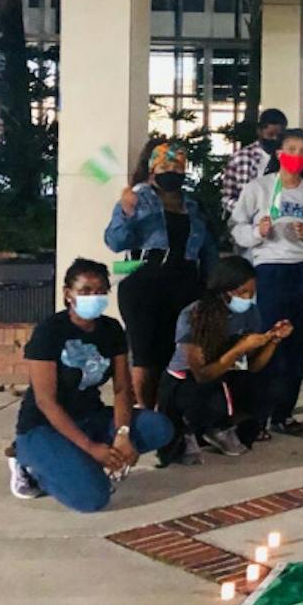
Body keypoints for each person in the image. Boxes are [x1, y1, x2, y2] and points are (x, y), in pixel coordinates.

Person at [6, 258, 174, 512]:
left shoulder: (111, 329)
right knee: (92, 499)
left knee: (158, 427)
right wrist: (91, 448)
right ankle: (27, 464)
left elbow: (121, 389)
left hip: (90, 416)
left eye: (100, 291)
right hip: (43, 427)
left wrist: (123, 434)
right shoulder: (50, 331)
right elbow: (45, 401)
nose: (93, 297)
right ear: (68, 294)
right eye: (85, 291)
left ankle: (76, 461)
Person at [105, 139, 219, 410]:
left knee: (178, 351)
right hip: (144, 283)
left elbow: (208, 251)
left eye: (179, 166)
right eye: (166, 166)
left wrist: (213, 288)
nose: (173, 172)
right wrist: (127, 212)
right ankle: (146, 412)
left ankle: (170, 410)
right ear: (152, 168)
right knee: (145, 354)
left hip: (186, 284)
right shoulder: (137, 199)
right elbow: (115, 242)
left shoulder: (192, 206)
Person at [228, 127, 303, 438]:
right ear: (278, 152)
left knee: (297, 344)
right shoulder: (259, 188)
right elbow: (236, 226)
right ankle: (258, 414)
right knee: (267, 340)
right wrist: (258, 232)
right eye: (290, 148)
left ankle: (284, 412)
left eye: (302, 150)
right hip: (271, 269)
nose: (295, 155)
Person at [157, 257, 292, 463]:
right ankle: (191, 429)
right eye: (241, 293)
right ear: (224, 290)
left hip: (225, 374)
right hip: (186, 381)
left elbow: (254, 366)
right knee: (204, 394)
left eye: (251, 292)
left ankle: (221, 427)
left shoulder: (250, 312)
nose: (247, 298)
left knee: (269, 381)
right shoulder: (195, 314)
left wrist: (273, 340)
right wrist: (239, 348)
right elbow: (202, 374)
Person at [221, 108, 285, 217]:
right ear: (259, 131)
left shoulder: (287, 158)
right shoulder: (240, 157)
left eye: (278, 136)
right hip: (245, 221)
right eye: (270, 135)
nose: (274, 139)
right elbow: (227, 197)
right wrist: (246, 210)